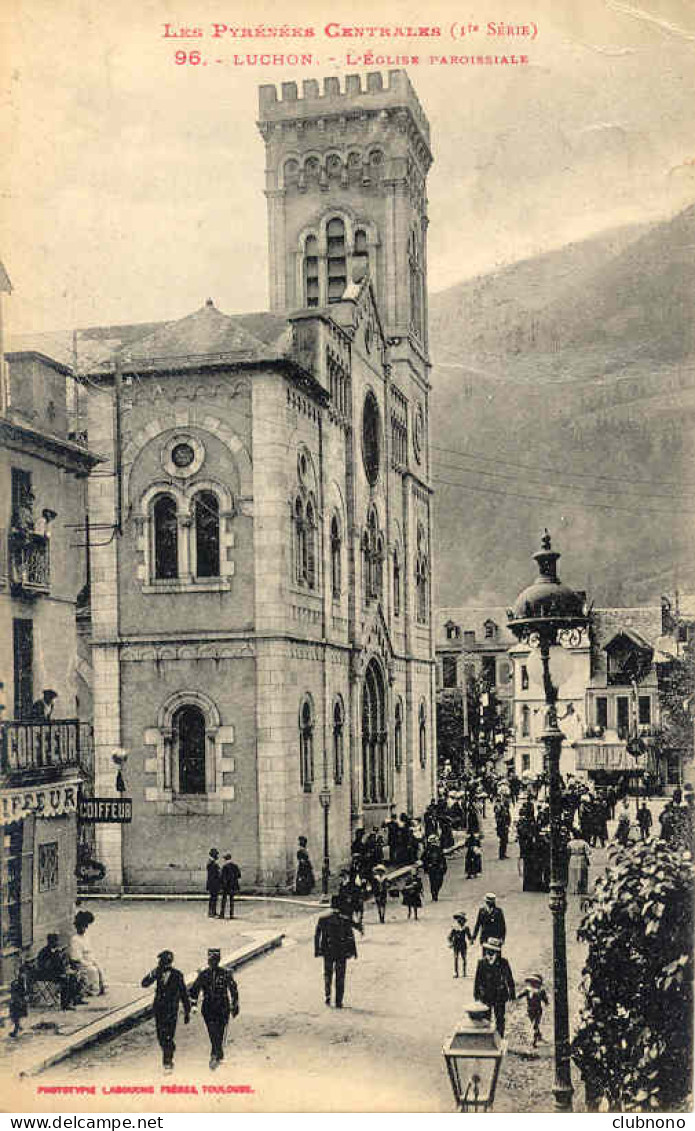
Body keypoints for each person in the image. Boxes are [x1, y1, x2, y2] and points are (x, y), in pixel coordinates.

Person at [189, 949, 240, 1070]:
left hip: (223, 1006)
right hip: (208, 1006)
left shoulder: (226, 973)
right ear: (208, 961)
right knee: (212, 1031)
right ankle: (216, 1053)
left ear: (218, 960)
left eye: (215, 960)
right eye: (211, 960)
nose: (213, 962)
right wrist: (194, 1004)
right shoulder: (203, 974)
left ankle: (216, 1053)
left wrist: (235, 1005)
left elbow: (233, 990)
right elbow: (194, 989)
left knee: (220, 1031)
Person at [141, 950, 191, 1071]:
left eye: (161, 962)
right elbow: (144, 983)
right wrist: (151, 975)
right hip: (159, 1009)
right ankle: (170, 1049)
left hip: (171, 1010)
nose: (160, 964)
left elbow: (184, 994)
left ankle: (167, 1061)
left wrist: (187, 1011)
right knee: (160, 1036)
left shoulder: (177, 975)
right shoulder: (157, 972)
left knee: (168, 1035)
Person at [314, 895, 358, 1008]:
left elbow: (317, 935)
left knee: (327, 974)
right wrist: (353, 951)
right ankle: (339, 1000)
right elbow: (350, 937)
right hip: (341, 951)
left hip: (327, 950)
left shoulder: (323, 919)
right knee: (340, 976)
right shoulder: (345, 919)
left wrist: (317, 950)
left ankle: (327, 996)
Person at [473, 937, 516, 1036]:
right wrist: (476, 995)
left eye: (492, 951)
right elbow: (477, 980)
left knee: (500, 1018)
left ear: (497, 952)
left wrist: (512, 993)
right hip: (485, 996)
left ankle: (500, 1038)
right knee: (485, 1018)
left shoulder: (503, 962)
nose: (489, 953)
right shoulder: (481, 963)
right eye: (488, 950)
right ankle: (487, 1039)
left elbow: (509, 978)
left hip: (499, 995)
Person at [36, 933, 81, 1010]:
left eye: (56, 941)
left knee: (74, 976)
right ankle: (65, 1004)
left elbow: (59, 964)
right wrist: (60, 972)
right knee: (65, 980)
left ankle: (74, 999)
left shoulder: (56, 951)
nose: (56, 943)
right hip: (45, 974)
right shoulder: (44, 952)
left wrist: (65, 970)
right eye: (54, 941)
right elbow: (44, 966)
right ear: (49, 942)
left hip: (55, 973)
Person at [69, 910, 106, 996]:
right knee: (92, 970)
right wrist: (88, 963)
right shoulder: (75, 939)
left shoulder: (86, 937)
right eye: (81, 927)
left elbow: (89, 951)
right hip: (81, 963)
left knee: (99, 967)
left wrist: (93, 961)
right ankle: (92, 990)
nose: (83, 929)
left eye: (84, 927)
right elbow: (76, 958)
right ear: (77, 927)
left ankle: (101, 988)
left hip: (89, 960)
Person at [517, 974, 549, 1047]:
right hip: (530, 1010)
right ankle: (539, 1036)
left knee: (535, 1025)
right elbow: (520, 995)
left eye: (535, 982)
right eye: (532, 982)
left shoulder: (541, 991)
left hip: (538, 1010)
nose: (533, 984)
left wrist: (546, 1003)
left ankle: (534, 1042)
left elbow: (545, 1000)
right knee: (534, 1025)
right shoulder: (527, 990)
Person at [421, 834, 447, 901]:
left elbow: (443, 859)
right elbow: (423, 858)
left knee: (439, 882)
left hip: (438, 868)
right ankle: (434, 895)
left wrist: (444, 867)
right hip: (432, 869)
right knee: (433, 882)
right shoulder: (427, 850)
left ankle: (436, 892)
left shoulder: (439, 849)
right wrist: (427, 866)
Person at [448, 913, 473, 978]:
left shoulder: (466, 928)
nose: (461, 922)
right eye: (459, 920)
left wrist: (471, 941)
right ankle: (456, 972)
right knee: (456, 958)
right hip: (456, 944)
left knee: (464, 958)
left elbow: (469, 936)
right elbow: (449, 937)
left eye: (462, 920)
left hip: (463, 945)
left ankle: (464, 972)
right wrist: (450, 943)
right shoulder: (454, 928)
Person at [219, 854, 241, 919]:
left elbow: (222, 877)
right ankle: (231, 914)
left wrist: (222, 885)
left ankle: (222, 914)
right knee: (232, 900)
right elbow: (239, 875)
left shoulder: (225, 867)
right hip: (233, 886)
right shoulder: (235, 866)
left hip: (226, 886)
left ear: (225, 859)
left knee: (224, 900)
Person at [9, 964, 28, 1038]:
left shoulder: (21, 979)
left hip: (18, 1000)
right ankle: (18, 1027)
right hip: (19, 1000)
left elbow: (23, 989)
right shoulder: (20, 980)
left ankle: (16, 1031)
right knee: (16, 1015)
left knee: (16, 1015)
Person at [206, 849, 221, 918]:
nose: (217, 856)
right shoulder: (211, 863)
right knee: (213, 898)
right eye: (216, 854)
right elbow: (213, 875)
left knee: (214, 898)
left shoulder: (212, 862)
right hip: (213, 883)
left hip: (213, 883)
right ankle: (211, 912)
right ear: (213, 855)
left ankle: (213, 911)